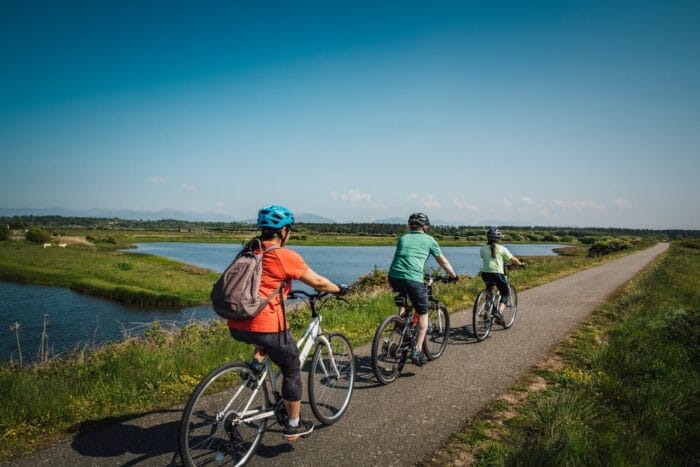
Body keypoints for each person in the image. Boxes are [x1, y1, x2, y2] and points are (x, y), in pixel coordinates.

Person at [228, 205, 344, 441]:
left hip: (236, 323)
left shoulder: (249, 251)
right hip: (265, 326)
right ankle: (293, 425)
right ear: (283, 231)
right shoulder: (283, 255)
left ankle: (254, 368)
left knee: (269, 341)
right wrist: (339, 290)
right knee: (292, 366)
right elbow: (318, 282)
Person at [387, 213, 458, 366]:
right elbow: (442, 261)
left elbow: (406, 257)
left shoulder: (403, 238)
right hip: (413, 278)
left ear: (410, 226)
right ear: (425, 227)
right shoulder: (430, 240)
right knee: (423, 313)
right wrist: (453, 275)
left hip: (394, 276)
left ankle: (400, 324)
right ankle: (417, 350)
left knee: (404, 299)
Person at [479, 227, 523, 322]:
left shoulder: (482, 248)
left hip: (485, 274)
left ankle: (487, 313)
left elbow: (484, 257)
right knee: (506, 293)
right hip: (497, 274)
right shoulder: (502, 248)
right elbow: (513, 259)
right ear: (498, 238)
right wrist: (520, 264)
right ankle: (498, 311)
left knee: (489, 292)